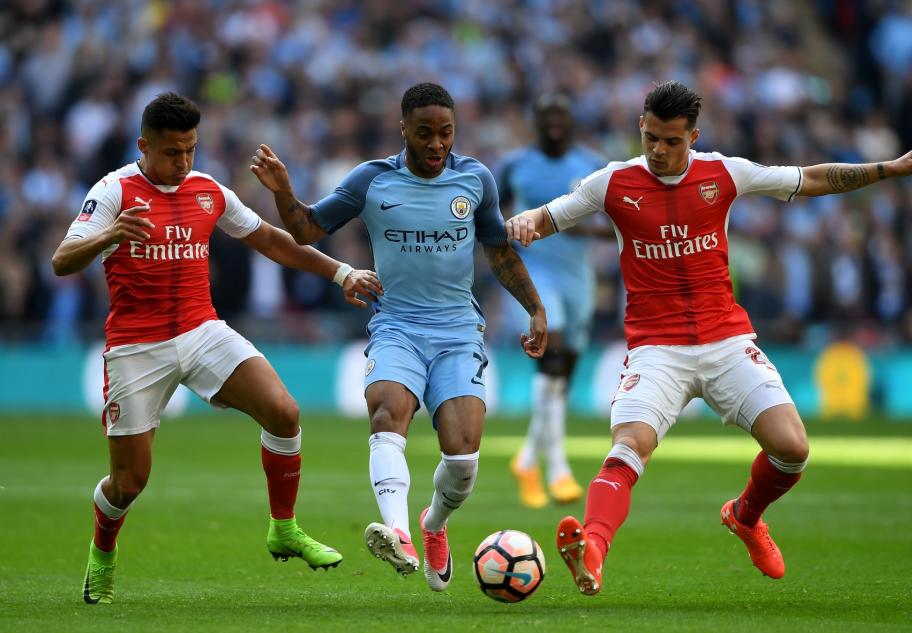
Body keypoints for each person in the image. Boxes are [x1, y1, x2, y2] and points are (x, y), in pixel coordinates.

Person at [505, 80, 912, 595]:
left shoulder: (724, 173)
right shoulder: (613, 183)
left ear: (694, 135)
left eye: (672, 141)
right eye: (650, 139)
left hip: (726, 341)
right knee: (628, 447)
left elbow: (811, 179)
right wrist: (525, 223)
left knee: (792, 449)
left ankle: (745, 515)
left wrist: (888, 168)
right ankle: (593, 550)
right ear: (640, 130)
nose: (659, 152)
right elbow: (552, 215)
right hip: (656, 349)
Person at [52, 92, 382, 605]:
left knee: (283, 412)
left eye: (190, 150)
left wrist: (340, 270)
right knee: (128, 482)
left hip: (202, 330)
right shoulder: (113, 191)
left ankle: (284, 527)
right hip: (136, 347)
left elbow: (273, 240)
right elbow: (61, 261)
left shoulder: (208, 191)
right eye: (172, 152)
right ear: (144, 145)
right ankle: (102, 553)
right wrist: (108, 236)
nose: (183, 162)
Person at [250, 82, 547, 593]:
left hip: (457, 329)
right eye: (426, 133)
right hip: (396, 325)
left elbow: (499, 251)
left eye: (446, 134)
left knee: (461, 457)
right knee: (387, 415)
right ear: (404, 128)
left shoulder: (475, 179)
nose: (436, 145)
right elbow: (307, 229)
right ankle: (400, 532)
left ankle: (434, 525)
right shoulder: (372, 180)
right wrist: (282, 191)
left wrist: (535, 309)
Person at [496, 94, 607, 508]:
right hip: (535, 272)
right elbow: (490, 210)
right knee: (553, 350)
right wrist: (505, 237)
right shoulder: (514, 165)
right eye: (546, 118)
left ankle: (526, 458)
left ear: (571, 121)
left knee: (564, 371)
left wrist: (584, 232)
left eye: (561, 116)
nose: (554, 124)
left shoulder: (593, 163)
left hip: (578, 275)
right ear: (535, 123)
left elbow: (615, 218)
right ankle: (558, 467)